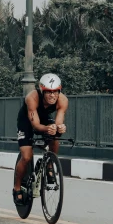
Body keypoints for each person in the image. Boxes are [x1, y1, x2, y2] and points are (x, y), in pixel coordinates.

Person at [12, 73, 69, 205]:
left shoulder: (63, 100)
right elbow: (36, 126)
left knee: (54, 134)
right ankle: (17, 188)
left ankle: (49, 164)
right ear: (42, 91)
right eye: (48, 92)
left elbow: (58, 121)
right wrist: (46, 129)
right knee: (26, 157)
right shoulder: (32, 98)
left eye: (55, 92)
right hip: (27, 121)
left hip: (44, 118)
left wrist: (59, 128)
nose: (52, 95)